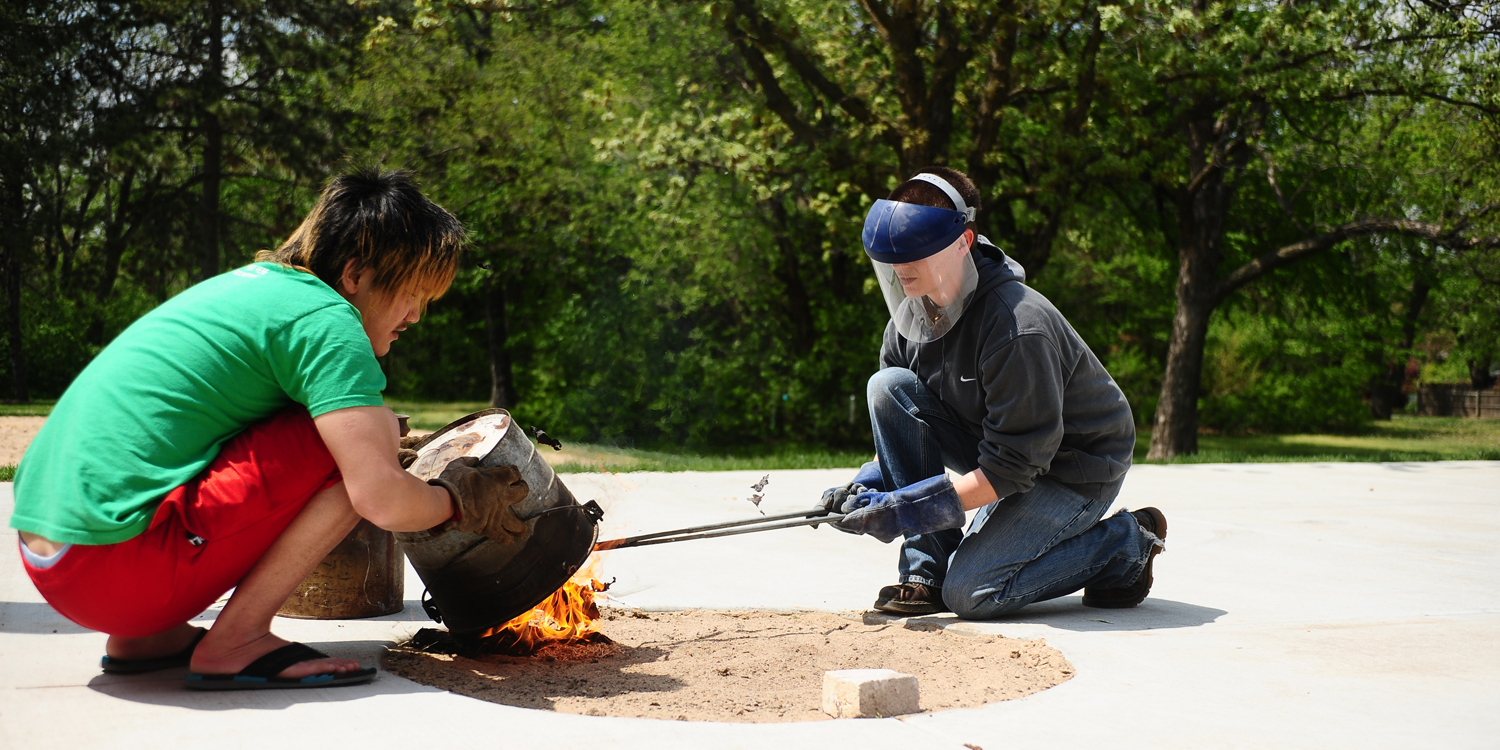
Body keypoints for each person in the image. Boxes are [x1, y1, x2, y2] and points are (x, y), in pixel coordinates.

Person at [10, 169, 529, 690]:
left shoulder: (256, 291)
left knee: (343, 434)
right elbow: (381, 499)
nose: (415, 315)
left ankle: (146, 639)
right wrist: (459, 500)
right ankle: (237, 641)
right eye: (412, 293)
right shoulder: (326, 319)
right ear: (356, 276)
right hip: (114, 572)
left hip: (55, 562)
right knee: (354, 446)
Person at [823, 167, 1166, 618]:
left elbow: (1015, 465)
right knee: (887, 387)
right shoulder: (909, 320)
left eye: (916, 254)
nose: (901, 270)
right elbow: (902, 435)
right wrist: (865, 484)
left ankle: (1126, 544)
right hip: (996, 449)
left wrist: (906, 511)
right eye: (892, 260)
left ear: (963, 243)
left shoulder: (1017, 326)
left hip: (1073, 468)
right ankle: (924, 574)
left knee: (973, 593)